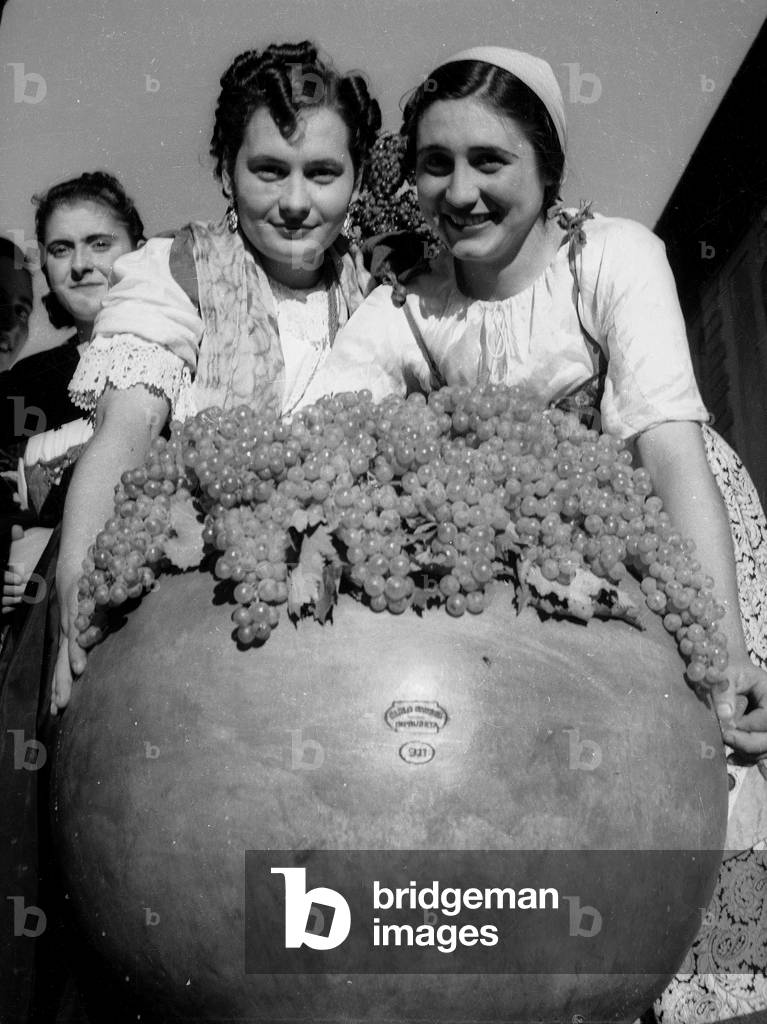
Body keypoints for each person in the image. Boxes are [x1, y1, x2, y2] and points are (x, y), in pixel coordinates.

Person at [298, 46, 767, 1022]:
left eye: (490, 161)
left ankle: (728, 996)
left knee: (724, 763)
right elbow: (316, 436)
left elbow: (668, 450)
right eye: (436, 167)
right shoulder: (405, 307)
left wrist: (721, 640)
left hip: (673, 530)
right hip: (549, 565)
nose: (461, 192)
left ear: (544, 165)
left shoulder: (612, 256)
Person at [52, 40, 381, 709]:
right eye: (269, 171)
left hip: (345, 630)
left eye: (322, 173)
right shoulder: (180, 272)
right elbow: (125, 436)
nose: (295, 201)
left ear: (356, 178)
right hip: (202, 618)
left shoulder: (380, 292)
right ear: (227, 173)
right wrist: (76, 599)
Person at [1, 171, 145, 616]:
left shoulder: (183, 359)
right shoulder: (26, 382)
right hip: (42, 617)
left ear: (137, 250)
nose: (80, 264)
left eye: (99, 243)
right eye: (61, 249)